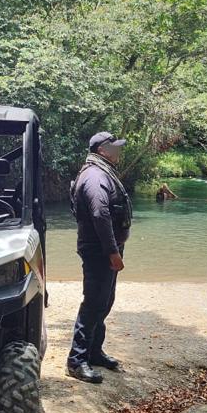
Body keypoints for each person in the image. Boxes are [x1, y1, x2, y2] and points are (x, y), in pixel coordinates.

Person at [66, 131, 132, 384]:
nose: (119, 152)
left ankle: (94, 352)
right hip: (99, 251)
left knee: (105, 301)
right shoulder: (95, 177)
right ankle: (76, 360)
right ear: (103, 150)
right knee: (93, 303)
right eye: (115, 148)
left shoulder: (102, 171)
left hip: (106, 249)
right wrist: (112, 252)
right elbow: (99, 215)